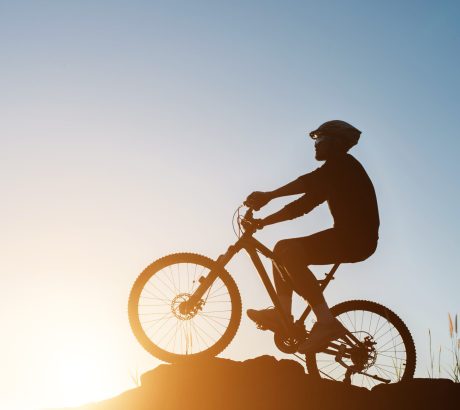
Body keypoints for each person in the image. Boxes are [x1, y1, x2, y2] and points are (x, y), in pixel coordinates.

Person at [245, 120, 379, 354]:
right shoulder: (334, 175)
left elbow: (307, 183)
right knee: (281, 249)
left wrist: (270, 195)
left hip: (355, 238)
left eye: (320, 140)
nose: (315, 145)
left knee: (290, 253)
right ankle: (283, 314)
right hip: (349, 237)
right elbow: (301, 206)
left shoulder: (343, 165)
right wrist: (263, 222)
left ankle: (326, 322)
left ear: (336, 144)